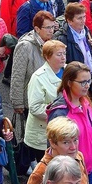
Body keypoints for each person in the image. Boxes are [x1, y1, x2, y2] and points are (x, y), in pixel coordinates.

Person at [47, 62, 92, 184]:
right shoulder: (60, 112)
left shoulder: (86, 102)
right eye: (82, 82)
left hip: (89, 170)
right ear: (69, 82)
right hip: (71, 176)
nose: (87, 85)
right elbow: (53, 149)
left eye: (89, 80)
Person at [21, 40, 66, 173]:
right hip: (43, 131)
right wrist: (59, 114)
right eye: (59, 54)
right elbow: (35, 108)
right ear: (47, 57)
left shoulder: (69, 71)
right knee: (47, 171)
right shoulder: (38, 77)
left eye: (64, 53)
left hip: (64, 130)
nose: (63, 57)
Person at [10, 11, 56, 115]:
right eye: (48, 28)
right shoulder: (25, 46)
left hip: (47, 98)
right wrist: (17, 103)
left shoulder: (52, 42)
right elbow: (18, 76)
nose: (51, 31)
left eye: (53, 27)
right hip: (31, 99)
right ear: (37, 29)